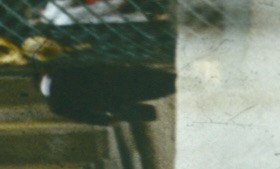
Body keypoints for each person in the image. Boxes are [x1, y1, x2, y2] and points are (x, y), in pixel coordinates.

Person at [34, 60, 175, 126]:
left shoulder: (56, 106)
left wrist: (106, 121)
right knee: (157, 80)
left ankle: (172, 87)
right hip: (117, 77)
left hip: (113, 101)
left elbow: (82, 116)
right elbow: (91, 65)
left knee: (152, 92)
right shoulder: (61, 70)